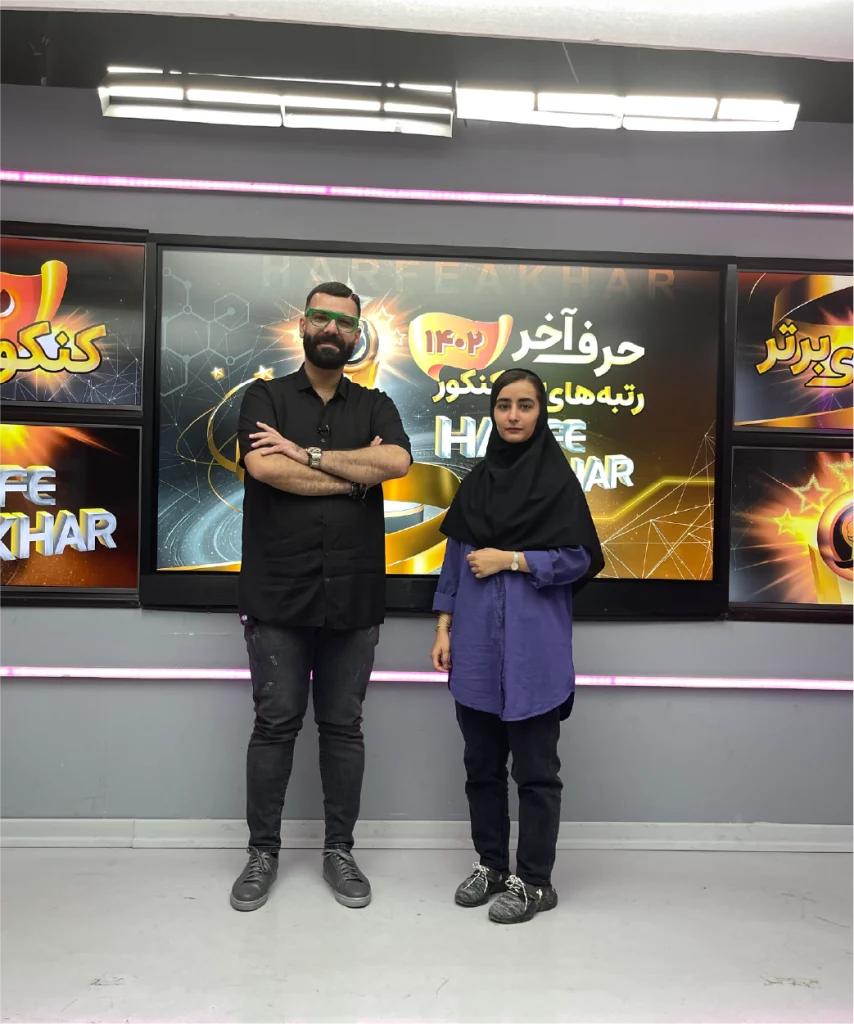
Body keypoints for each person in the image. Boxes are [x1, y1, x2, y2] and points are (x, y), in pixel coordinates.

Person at [230, 281, 412, 913]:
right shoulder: (265, 396)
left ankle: (340, 851)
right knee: (275, 724)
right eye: (321, 318)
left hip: (354, 594)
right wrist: (353, 475)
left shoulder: (377, 404)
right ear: (303, 326)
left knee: (343, 728)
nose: (332, 329)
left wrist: (307, 454)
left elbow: (396, 464)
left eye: (344, 322)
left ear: (358, 335)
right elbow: (265, 469)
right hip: (278, 593)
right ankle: (262, 853)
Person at [430, 367, 603, 925]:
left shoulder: (558, 483)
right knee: (481, 768)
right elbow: (454, 565)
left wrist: (514, 559)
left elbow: (580, 559)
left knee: (536, 773)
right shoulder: (477, 484)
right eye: (504, 404)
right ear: (493, 412)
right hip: (477, 651)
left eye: (525, 405)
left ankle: (535, 881)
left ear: (540, 412)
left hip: (535, 655)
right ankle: (490, 865)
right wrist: (443, 627)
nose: (513, 415)